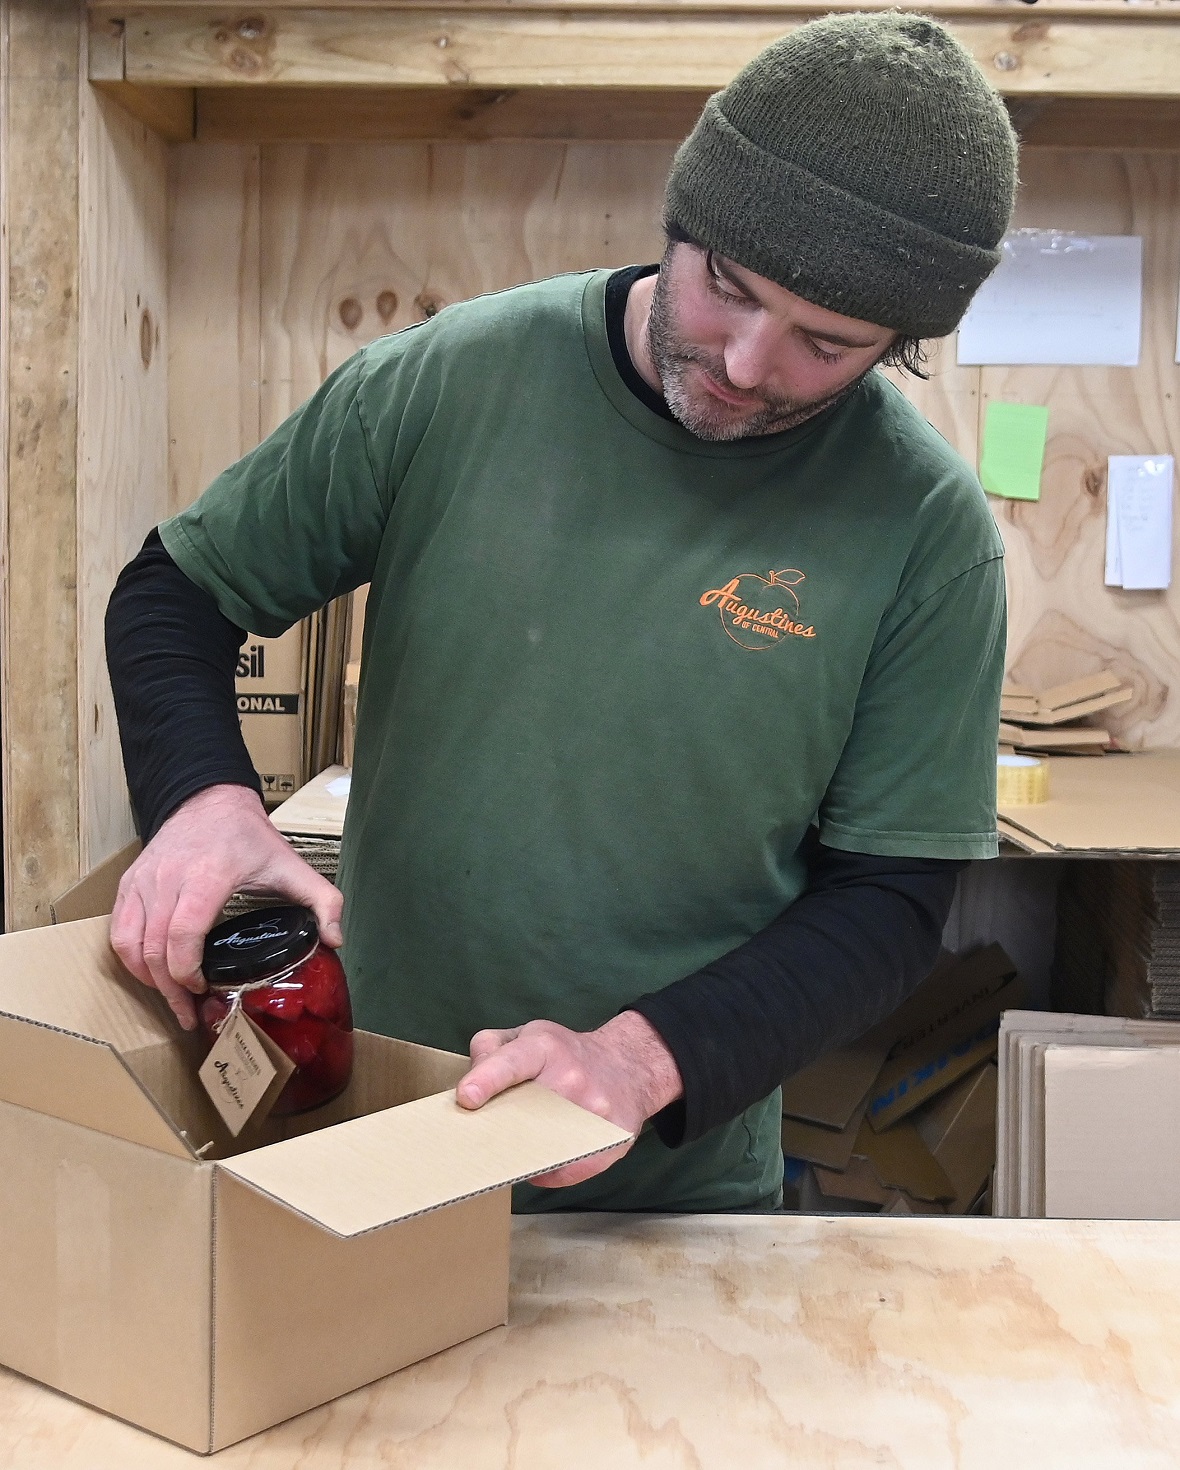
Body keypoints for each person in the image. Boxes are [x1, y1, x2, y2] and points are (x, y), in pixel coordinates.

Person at [106, 12, 1018, 1212]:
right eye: (724, 289)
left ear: (900, 344)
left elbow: (891, 901)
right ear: (679, 222)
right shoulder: (448, 383)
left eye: (826, 343)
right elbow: (176, 592)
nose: (745, 363)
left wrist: (638, 1061)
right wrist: (204, 803)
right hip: (379, 1122)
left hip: (666, 1182)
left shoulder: (925, 529)